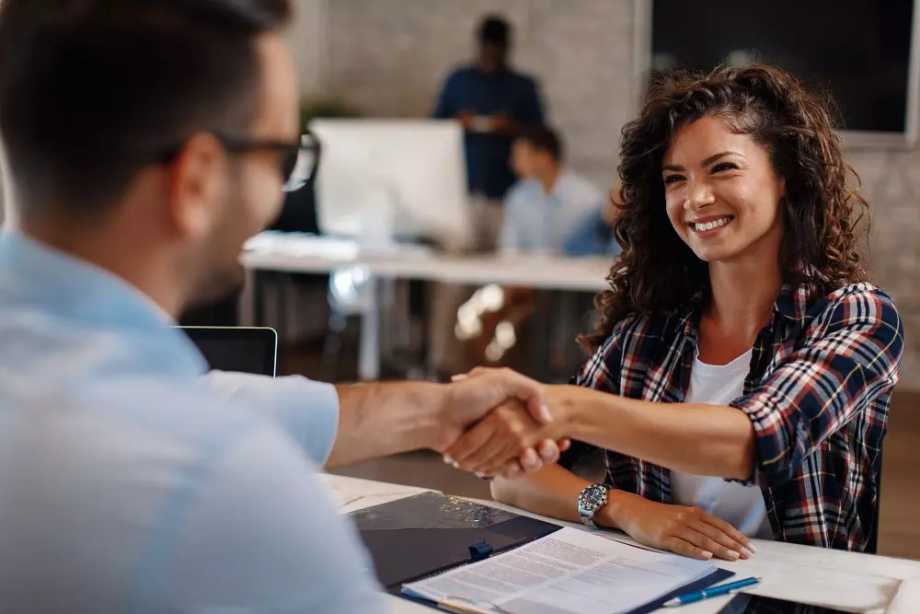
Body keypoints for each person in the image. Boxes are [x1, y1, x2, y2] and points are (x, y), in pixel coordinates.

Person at [0, 2, 563, 612]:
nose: (281, 190)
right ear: (196, 181)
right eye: (282, 159)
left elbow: (223, 399)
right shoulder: (225, 487)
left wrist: (438, 412)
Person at [443, 64, 904, 559]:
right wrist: (621, 508)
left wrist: (562, 409)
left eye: (722, 168)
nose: (696, 198)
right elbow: (512, 478)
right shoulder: (645, 336)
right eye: (675, 179)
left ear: (785, 176)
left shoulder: (858, 315)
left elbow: (756, 442)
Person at [433, 14, 544, 250]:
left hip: (506, 192)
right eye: (488, 46)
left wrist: (511, 127)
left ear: (507, 47)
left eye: (498, 47)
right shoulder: (458, 80)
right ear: (479, 44)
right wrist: (456, 123)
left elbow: (541, 135)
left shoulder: (522, 86)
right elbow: (434, 128)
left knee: (504, 265)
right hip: (463, 190)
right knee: (456, 271)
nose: (492, 53)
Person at [499, 126, 607, 255]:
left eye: (520, 156)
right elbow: (508, 250)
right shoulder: (517, 196)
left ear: (544, 156)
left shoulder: (588, 198)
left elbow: (599, 251)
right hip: (526, 272)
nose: (513, 164)